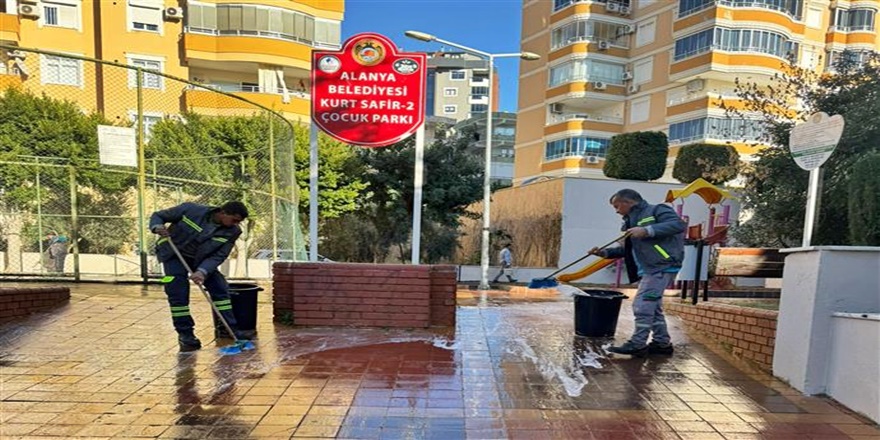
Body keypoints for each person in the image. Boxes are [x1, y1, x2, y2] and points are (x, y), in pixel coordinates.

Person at [590, 189, 685, 358]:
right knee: (653, 307)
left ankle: (638, 344)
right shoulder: (628, 222)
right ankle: (662, 344)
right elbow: (627, 250)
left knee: (642, 305)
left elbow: (677, 225)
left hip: (661, 266)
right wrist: (603, 253)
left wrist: (647, 230)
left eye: (617, 206)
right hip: (649, 269)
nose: (616, 210)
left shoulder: (657, 210)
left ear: (628, 202)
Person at [149, 201, 250, 352]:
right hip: (173, 254)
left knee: (219, 287)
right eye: (234, 220)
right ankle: (186, 335)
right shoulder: (191, 210)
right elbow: (158, 215)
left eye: (239, 222)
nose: (235, 224)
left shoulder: (233, 231)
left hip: (200, 260)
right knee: (178, 292)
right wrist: (157, 227)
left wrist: (202, 271)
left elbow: (219, 255)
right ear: (222, 213)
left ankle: (230, 329)